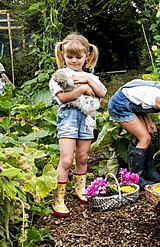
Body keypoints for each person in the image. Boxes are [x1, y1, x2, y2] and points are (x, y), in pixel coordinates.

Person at [49, 33, 106, 217]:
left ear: (87, 56)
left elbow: (102, 93)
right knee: (66, 160)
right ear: (63, 55)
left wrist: (88, 80)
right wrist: (82, 89)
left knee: (82, 157)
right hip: (68, 117)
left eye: (78, 57)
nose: (74, 61)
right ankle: (58, 199)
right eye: (70, 57)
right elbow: (62, 97)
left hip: (87, 119)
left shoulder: (90, 76)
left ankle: (79, 189)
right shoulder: (60, 75)